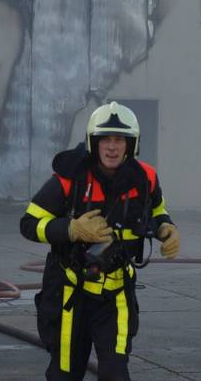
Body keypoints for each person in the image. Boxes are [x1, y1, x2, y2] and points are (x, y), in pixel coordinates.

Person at [19, 102, 181, 380]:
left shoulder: (146, 179)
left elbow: (156, 209)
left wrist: (166, 227)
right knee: (65, 374)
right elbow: (29, 224)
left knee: (116, 373)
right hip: (71, 294)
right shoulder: (68, 180)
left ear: (132, 144)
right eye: (105, 139)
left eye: (119, 139)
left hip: (115, 296)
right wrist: (72, 230)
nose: (112, 146)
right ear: (93, 142)